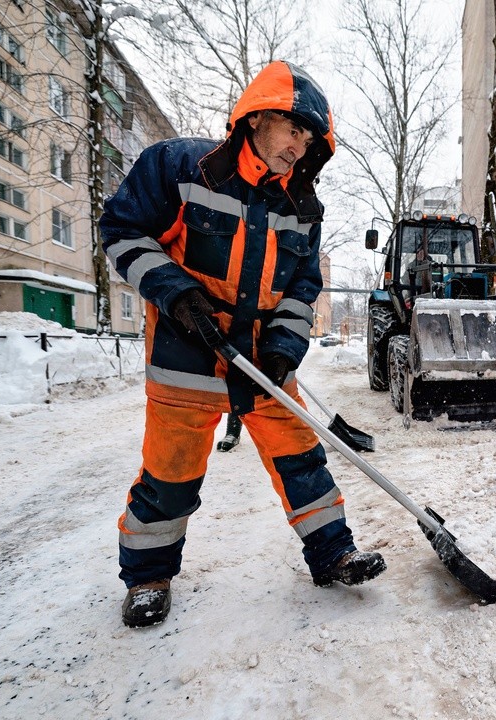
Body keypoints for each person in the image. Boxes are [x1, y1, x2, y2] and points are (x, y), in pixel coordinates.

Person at [101, 61, 385, 628]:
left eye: (309, 141)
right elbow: (122, 231)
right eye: (293, 130)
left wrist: (284, 347)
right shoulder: (181, 168)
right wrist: (178, 295)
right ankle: (149, 578)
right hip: (187, 356)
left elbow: (303, 287)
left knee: (303, 460)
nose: (298, 149)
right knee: (171, 477)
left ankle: (333, 554)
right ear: (256, 118)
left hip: (260, 362)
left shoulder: (303, 207)